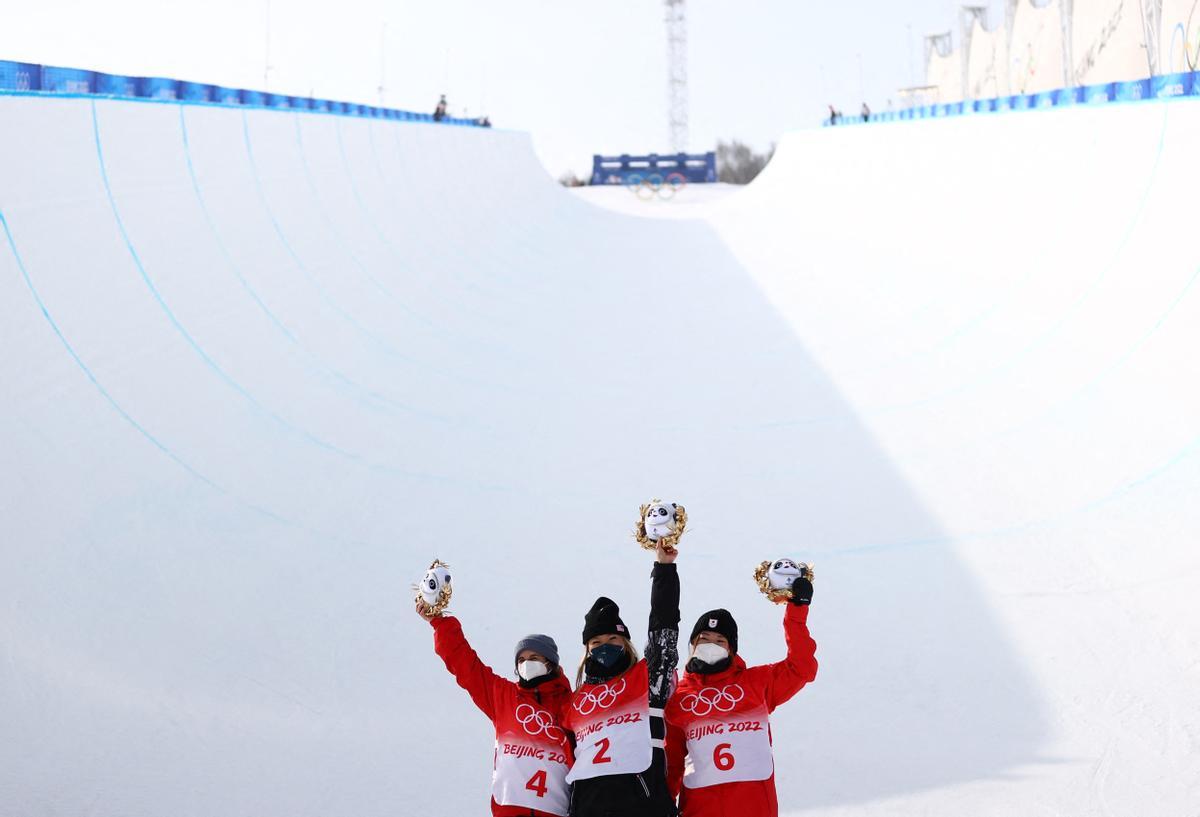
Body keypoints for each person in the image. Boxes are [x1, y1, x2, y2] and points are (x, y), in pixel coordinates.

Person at [664, 574, 818, 817]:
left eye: (719, 640)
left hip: (753, 808)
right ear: (692, 644)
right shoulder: (680, 700)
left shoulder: (756, 683)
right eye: (703, 638)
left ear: (731, 648)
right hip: (699, 810)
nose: (710, 644)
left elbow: (802, 668)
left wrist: (796, 613)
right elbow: (672, 764)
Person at [418, 600, 574, 817]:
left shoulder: (573, 705)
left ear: (551, 663)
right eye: (521, 659)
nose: (526, 663)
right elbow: (465, 664)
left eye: (534, 658)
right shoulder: (503, 696)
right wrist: (438, 621)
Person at [562, 541, 680, 817]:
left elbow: (663, 628)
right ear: (587, 649)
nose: (606, 645)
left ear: (625, 643)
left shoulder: (647, 680)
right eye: (597, 641)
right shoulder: (575, 701)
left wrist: (664, 569)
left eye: (614, 638)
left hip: (644, 806)